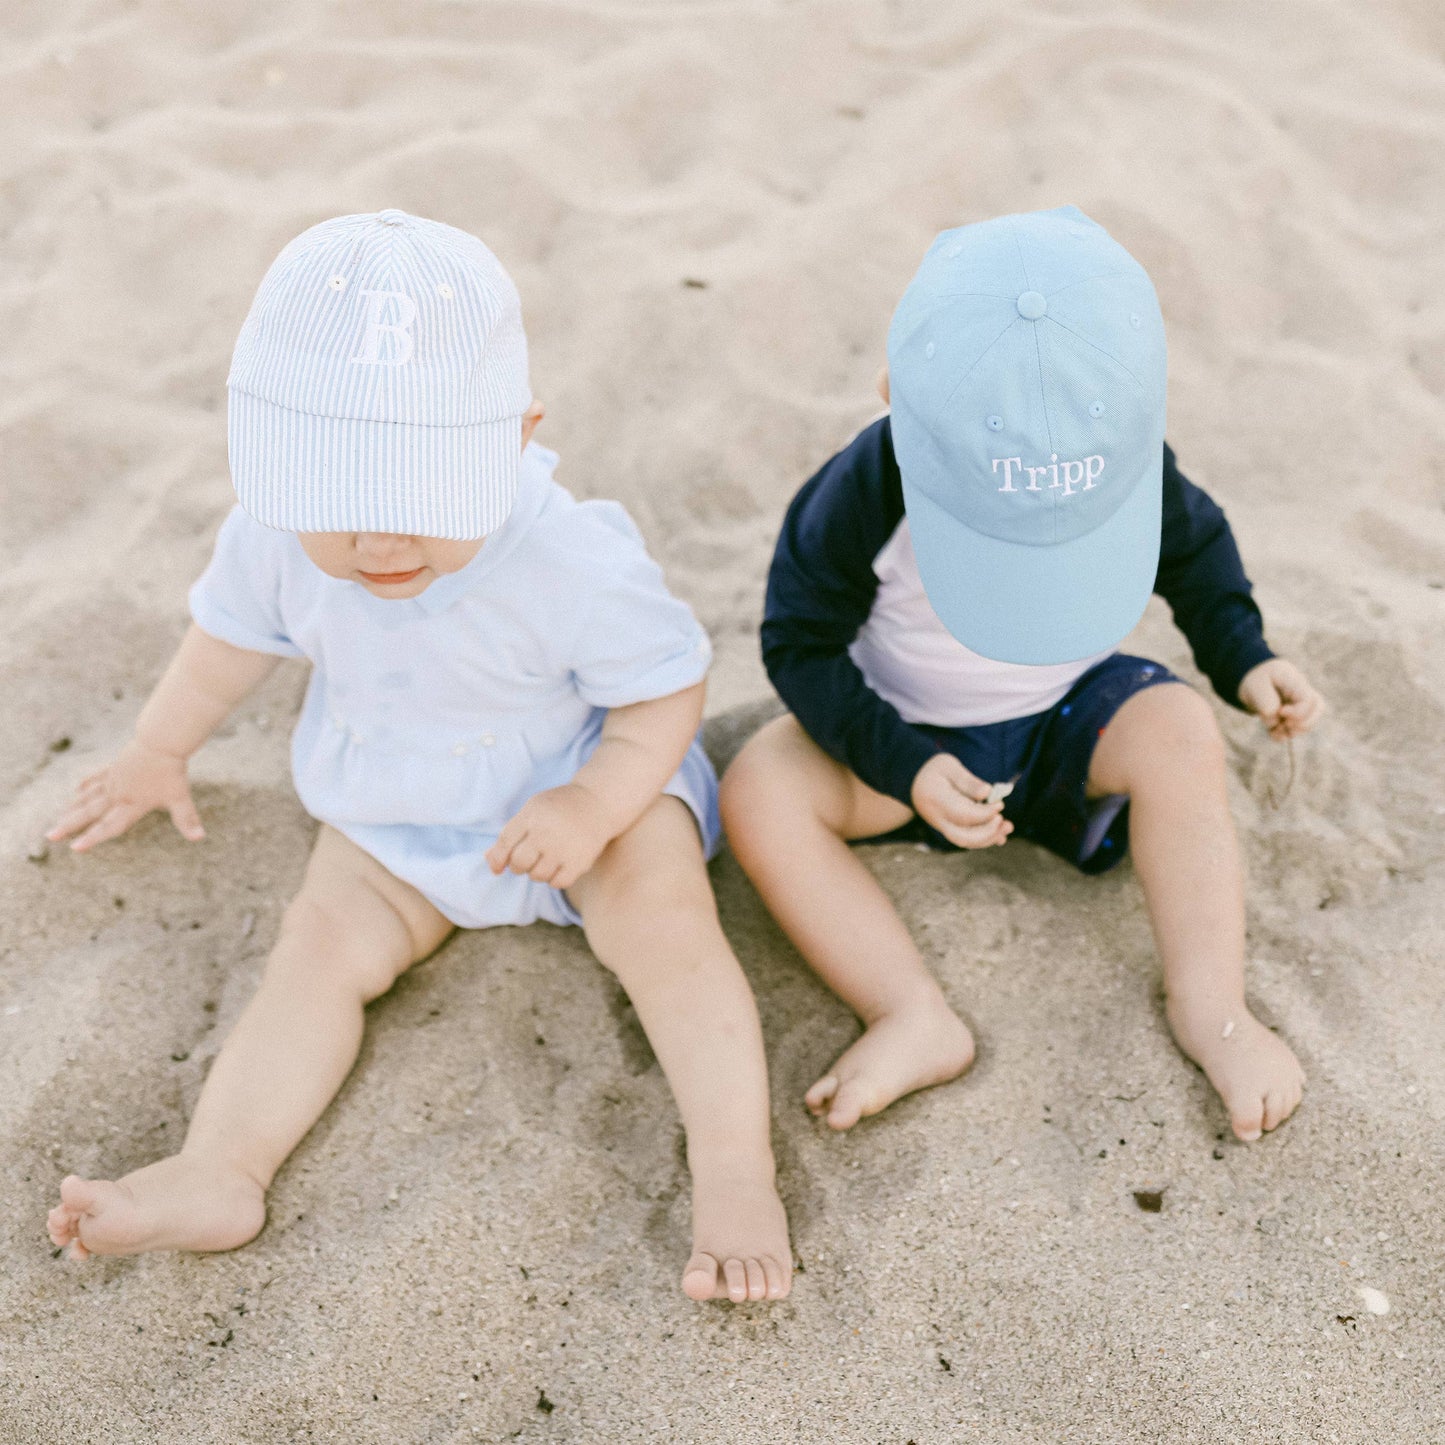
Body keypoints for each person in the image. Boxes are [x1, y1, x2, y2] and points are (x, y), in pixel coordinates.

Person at [45, 210, 791, 1305]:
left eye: (418, 500)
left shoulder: (566, 559)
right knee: (313, 952)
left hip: (577, 779)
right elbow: (226, 642)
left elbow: (662, 688)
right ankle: (222, 1166)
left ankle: (735, 1168)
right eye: (340, 503)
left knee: (666, 924)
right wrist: (160, 747)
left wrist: (592, 801)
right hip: (393, 797)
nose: (380, 545)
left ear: (515, 432)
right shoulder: (273, 530)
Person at [721, 206, 1323, 1143]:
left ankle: (1215, 1008)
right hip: (910, 741)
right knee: (759, 785)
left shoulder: (1123, 460)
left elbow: (1196, 554)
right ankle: (908, 1010)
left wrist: (1245, 658)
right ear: (892, 398)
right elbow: (796, 644)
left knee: (1180, 732)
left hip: (1065, 719)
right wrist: (903, 763)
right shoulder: (863, 488)